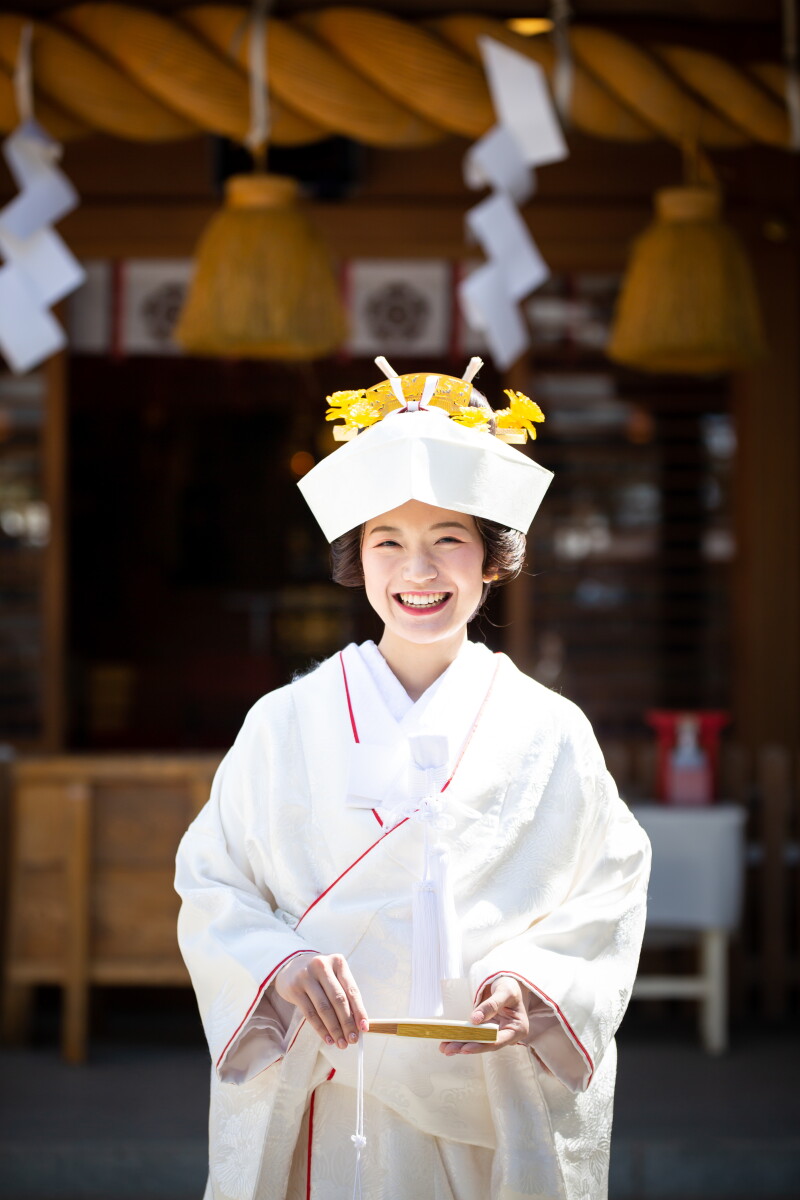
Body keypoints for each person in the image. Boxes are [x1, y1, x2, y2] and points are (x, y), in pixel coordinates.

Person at [175, 360, 651, 1200]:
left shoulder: (549, 731)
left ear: (492, 559)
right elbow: (214, 881)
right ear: (357, 559)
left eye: (448, 541)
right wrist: (282, 962)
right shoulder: (285, 723)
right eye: (387, 542)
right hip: (332, 1086)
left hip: (488, 1090)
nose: (418, 571)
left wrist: (535, 983)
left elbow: (609, 882)